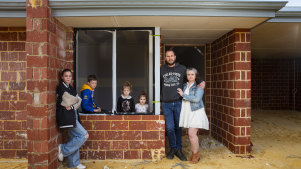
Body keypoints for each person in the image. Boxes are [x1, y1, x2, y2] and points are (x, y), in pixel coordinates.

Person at [160, 49, 205, 161]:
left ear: (175, 57)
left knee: (178, 127)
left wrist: (201, 82)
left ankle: (179, 150)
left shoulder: (182, 69)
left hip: (179, 102)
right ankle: (173, 148)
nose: (170, 58)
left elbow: (192, 77)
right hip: (166, 103)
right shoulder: (161, 70)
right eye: (168, 56)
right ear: (165, 58)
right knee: (169, 128)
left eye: (171, 56)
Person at [56, 69, 89, 169]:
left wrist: (73, 104)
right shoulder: (60, 88)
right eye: (66, 76)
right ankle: (63, 149)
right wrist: (76, 100)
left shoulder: (71, 88)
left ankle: (74, 163)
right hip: (67, 116)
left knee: (74, 138)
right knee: (84, 135)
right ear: (62, 77)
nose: (68, 78)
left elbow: (79, 101)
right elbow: (68, 100)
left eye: (70, 76)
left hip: (73, 114)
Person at [177, 68, 209, 164]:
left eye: (192, 74)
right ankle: (194, 153)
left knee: (191, 133)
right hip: (188, 112)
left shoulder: (199, 86)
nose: (190, 76)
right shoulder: (184, 85)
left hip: (196, 111)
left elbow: (196, 99)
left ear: (196, 76)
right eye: (188, 74)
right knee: (191, 134)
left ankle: (196, 155)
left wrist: (184, 95)